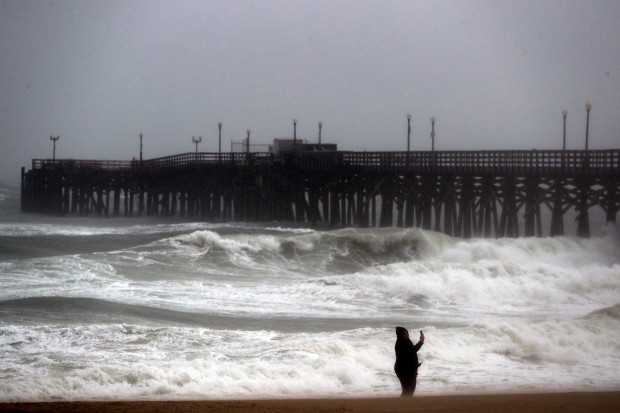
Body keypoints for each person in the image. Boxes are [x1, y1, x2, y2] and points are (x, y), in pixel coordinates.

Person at [394, 326, 424, 396]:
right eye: (403, 333)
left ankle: (405, 404)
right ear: (399, 335)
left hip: (409, 369)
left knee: (410, 389)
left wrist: (415, 365)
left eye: (406, 332)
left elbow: (410, 354)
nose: (405, 334)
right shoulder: (400, 343)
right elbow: (412, 351)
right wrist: (421, 341)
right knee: (407, 389)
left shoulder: (407, 341)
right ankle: (403, 404)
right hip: (403, 370)